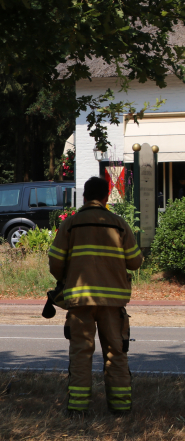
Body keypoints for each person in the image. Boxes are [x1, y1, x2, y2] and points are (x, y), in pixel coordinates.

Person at [48, 176, 143, 415]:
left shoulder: (71, 224)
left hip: (80, 301)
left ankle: (78, 409)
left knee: (81, 352)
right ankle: (120, 409)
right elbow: (135, 262)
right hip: (113, 304)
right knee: (116, 353)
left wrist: (67, 275)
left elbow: (55, 263)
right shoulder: (119, 224)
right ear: (106, 197)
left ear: (84, 197)